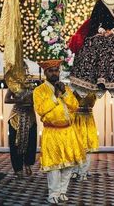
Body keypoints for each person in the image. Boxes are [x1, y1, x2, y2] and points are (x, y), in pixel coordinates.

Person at [33, 59, 86, 204]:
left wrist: (64, 93)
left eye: (56, 70)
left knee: (68, 164)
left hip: (68, 131)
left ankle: (62, 191)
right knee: (54, 166)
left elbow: (74, 106)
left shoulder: (65, 88)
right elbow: (41, 110)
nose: (54, 73)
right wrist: (55, 96)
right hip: (52, 132)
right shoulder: (39, 91)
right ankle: (53, 194)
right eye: (51, 71)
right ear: (45, 73)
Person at [5, 63, 37, 179]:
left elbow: (36, 99)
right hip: (16, 116)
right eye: (21, 70)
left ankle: (28, 164)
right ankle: (18, 168)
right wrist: (18, 100)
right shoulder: (13, 85)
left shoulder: (32, 85)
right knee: (15, 143)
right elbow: (6, 99)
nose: (24, 72)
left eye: (25, 69)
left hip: (30, 115)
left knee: (31, 141)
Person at [71, 91, 99, 180]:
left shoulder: (90, 90)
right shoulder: (90, 89)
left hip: (84, 120)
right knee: (77, 146)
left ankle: (81, 171)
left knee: (84, 146)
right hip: (81, 119)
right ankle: (78, 171)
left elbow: (91, 102)